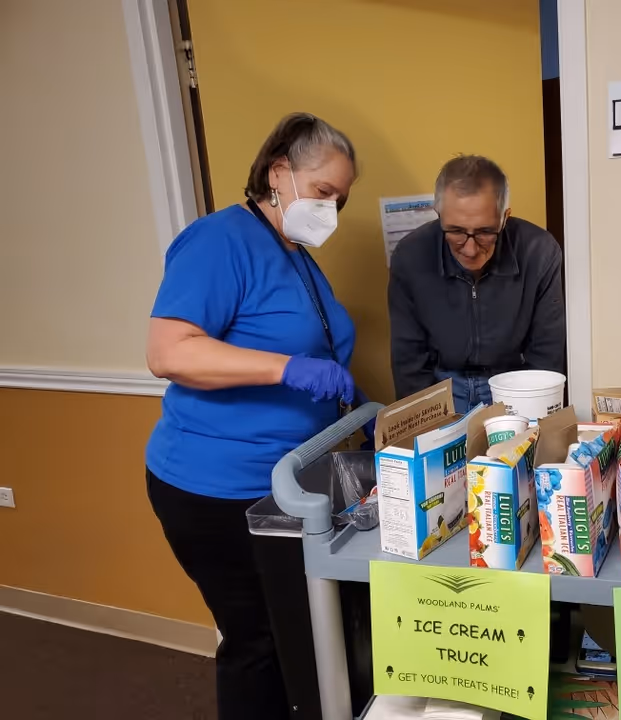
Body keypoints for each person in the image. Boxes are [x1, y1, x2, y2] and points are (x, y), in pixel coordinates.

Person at [145, 112, 367, 720]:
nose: (332, 211)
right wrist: (287, 369)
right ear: (279, 173)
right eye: (323, 192)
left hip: (286, 487)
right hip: (217, 489)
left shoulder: (291, 252)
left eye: (340, 201)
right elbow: (169, 352)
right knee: (259, 644)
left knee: (305, 637)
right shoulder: (220, 240)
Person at [388, 154, 565, 412]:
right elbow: (408, 359)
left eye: (485, 232)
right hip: (440, 385)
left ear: (505, 217)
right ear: (438, 215)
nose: (470, 249)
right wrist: (423, 423)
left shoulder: (539, 251)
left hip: (515, 383)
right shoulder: (410, 255)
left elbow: (546, 352)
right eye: (456, 231)